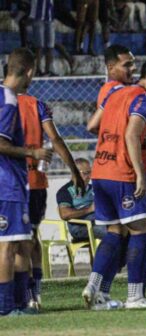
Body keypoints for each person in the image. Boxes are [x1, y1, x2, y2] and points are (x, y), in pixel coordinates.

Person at [82, 57, 146, 310]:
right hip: (123, 174)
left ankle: (94, 287)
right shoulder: (145, 100)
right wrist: (141, 174)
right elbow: (131, 134)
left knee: (115, 232)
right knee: (141, 229)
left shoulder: (116, 93)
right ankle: (135, 295)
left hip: (101, 170)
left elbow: (95, 125)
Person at [17, 86, 85, 311]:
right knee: (31, 239)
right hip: (35, 181)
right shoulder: (36, 104)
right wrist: (73, 169)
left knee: (16, 243)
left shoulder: (7, 102)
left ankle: (24, 296)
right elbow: (54, 137)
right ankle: (33, 294)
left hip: (11, 182)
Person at [0, 48, 52, 316]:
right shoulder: (9, 100)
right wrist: (33, 152)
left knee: (20, 241)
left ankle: (21, 303)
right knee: (8, 245)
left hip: (13, 184)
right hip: (7, 183)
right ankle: (6, 307)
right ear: (29, 71)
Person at [87, 44, 137, 134]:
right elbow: (93, 126)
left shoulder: (109, 88)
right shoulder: (117, 91)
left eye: (133, 63)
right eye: (127, 65)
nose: (134, 68)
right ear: (111, 68)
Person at [57, 158, 106, 241]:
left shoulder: (94, 188)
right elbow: (64, 214)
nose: (89, 177)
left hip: (99, 221)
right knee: (111, 232)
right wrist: (89, 209)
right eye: (85, 173)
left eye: (90, 172)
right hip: (79, 227)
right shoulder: (65, 191)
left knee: (122, 227)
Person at [30, 0, 56, 76]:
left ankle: (48, 70)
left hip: (50, 17)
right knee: (39, 46)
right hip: (38, 17)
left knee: (50, 46)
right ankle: (38, 69)